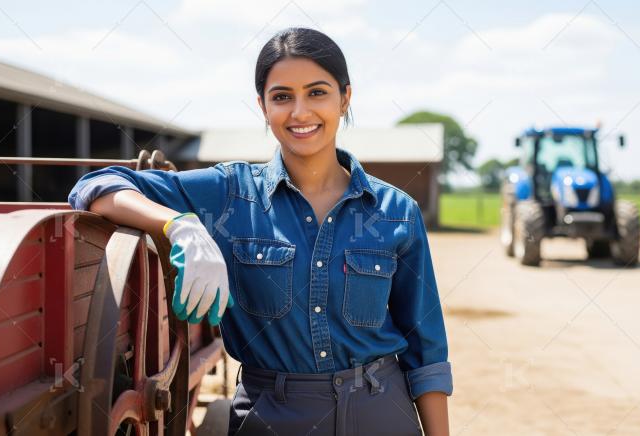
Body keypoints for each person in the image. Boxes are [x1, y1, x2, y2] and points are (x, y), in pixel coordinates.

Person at [67, 27, 452, 435]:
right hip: (272, 418)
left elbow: (426, 353)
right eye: (282, 96)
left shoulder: (396, 212)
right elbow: (96, 186)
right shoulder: (229, 194)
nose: (300, 112)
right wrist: (179, 225)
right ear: (263, 106)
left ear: (345, 98)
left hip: (382, 414)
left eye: (317, 92)